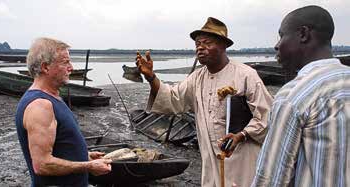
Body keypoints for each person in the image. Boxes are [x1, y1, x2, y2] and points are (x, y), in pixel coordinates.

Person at [136, 17, 273, 187]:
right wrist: (151, 77)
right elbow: (173, 98)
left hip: (242, 162)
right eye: (197, 44)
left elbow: (267, 117)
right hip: (211, 163)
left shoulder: (246, 75)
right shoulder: (197, 78)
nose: (200, 47)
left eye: (207, 43)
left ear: (223, 46)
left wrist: (241, 135)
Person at [252, 5, 350, 186]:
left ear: (303, 34)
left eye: (282, 35)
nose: (277, 45)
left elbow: (271, 180)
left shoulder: (294, 96)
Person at [15, 38, 112, 187]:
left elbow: (59, 146)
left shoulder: (53, 97)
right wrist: (88, 166)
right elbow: (42, 165)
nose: (71, 67)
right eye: (65, 62)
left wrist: (84, 156)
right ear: (46, 67)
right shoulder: (40, 106)